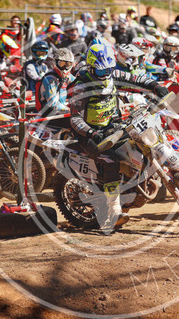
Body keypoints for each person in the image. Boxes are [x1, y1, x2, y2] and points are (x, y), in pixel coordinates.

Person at [68, 43, 169, 230]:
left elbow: (136, 78)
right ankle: (114, 210)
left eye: (109, 69)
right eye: (102, 71)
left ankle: (136, 182)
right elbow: (75, 119)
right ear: (91, 67)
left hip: (110, 125)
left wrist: (155, 86)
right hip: (88, 133)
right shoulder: (81, 87)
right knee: (111, 160)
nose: (106, 74)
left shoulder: (112, 74)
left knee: (138, 140)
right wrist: (91, 133)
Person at [36, 48, 75, 119]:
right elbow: (52, 103)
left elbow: (77, 84)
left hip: (60, 111)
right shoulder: (50, 79)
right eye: (62, 63)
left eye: (68, 64)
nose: (65, 67)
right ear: (55, 62)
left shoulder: (67, 76)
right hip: (49, 113)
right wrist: (68, 109)